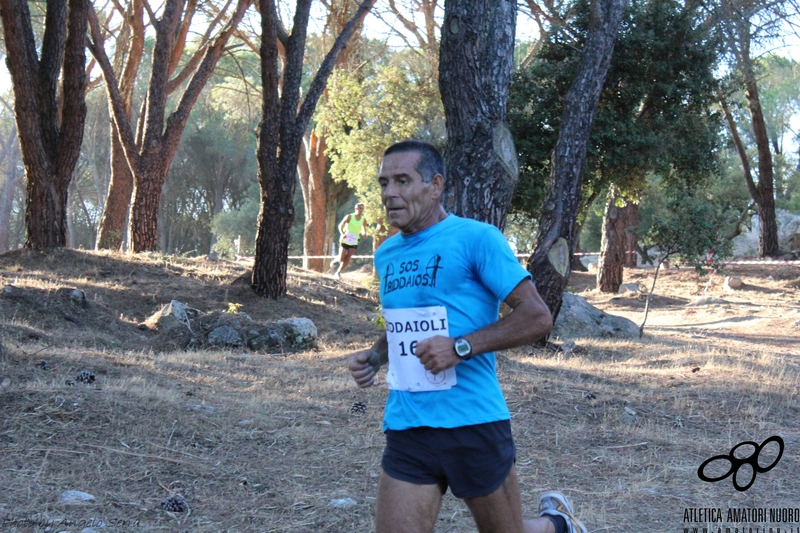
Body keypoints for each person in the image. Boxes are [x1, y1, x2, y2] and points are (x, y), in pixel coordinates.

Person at [347, 140, 588, 533]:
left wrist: (461, 348)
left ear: (435, 185)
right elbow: (404, 325)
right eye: (384, 183)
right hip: (409, 423)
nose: (389, 193)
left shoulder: (477, 239)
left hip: (472, 422)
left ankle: (556, 525)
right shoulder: (386, 253)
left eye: (403, 181)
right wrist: (375, 357)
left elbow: (536, 316)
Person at [330, 203, 368, 279]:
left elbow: (363, 229)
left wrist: (364, 234)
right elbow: (340, 225)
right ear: (355, 209)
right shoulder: (349, 216)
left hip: (354, 240)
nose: (361, 210)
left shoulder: (363, 220)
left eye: (362, 208)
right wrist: (342, 233)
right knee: (341, 258)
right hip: (345, 238)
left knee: (348, 258)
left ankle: (338, 273)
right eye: (359, 208)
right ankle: (335, 260)